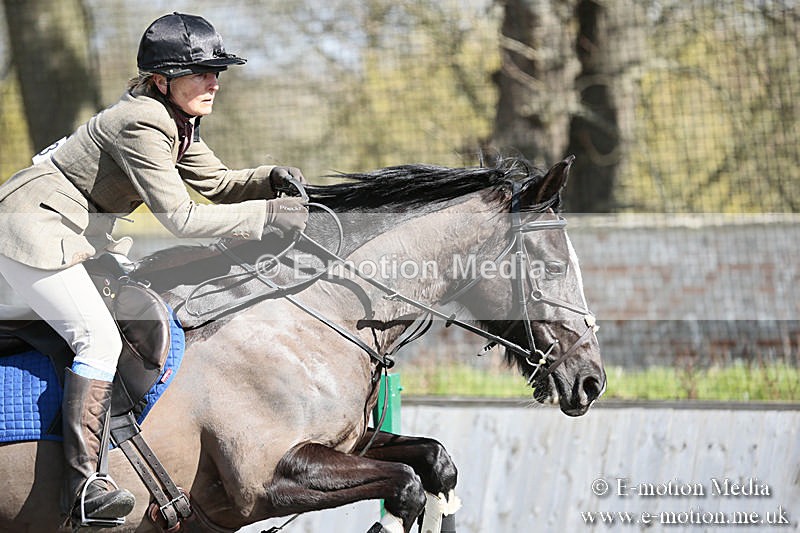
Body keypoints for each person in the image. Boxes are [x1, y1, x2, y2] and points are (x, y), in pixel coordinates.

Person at [0, 12, 308, 528]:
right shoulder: (142, 121)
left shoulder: (175, 120)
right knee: (97, 339)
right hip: (33, 232)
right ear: (162, 80)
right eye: (201, 73)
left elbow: (215, 184)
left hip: (72, 233)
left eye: (217, 72)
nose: (214, 81)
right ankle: (84, 487)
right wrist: (268, 215)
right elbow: (181, 218)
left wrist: (266, 178)